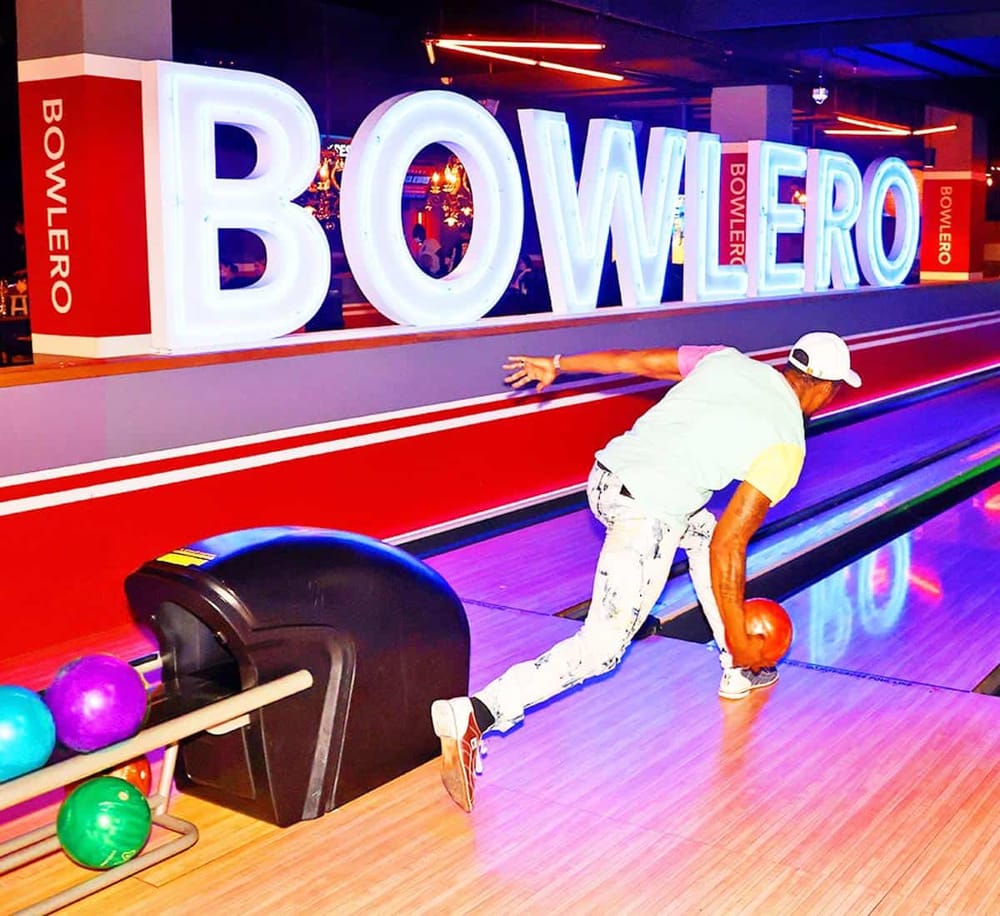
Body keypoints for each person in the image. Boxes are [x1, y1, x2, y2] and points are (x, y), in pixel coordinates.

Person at [430, 332, 862, 811]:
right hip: (648, 514)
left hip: (604, 479)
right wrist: (745, 643)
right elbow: (730, 546)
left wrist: (558, 364)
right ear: (826, 389)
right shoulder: (786, 442)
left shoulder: (726, 360)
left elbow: (634, 358)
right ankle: (478, 712)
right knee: (602, 649)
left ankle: (735, 672)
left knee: (698, 529)